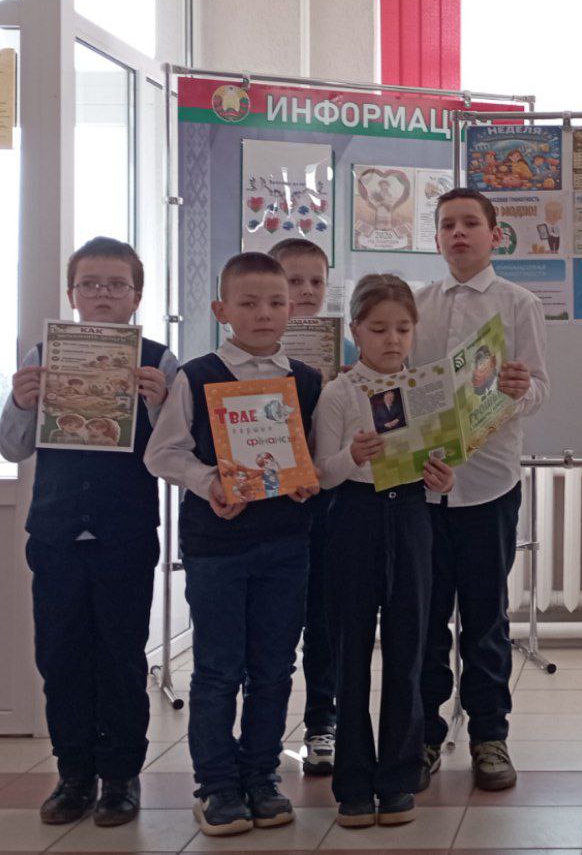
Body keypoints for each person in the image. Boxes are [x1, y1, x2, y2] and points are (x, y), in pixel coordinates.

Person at [0, 237, 177, 828]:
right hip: (55, 535)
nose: (103, 294)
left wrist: (158, 407)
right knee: (60, 658)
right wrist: (20, 401)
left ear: (136, 295)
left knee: (121, 659)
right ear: (72, 293)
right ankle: (73, 774)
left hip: (125, 535)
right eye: (91, 284)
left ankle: (120, 776)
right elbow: (12, 447)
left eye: (116, 285)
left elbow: (174, 455)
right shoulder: (42, 354)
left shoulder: (160, 362)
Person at [145, 252, 323, 836]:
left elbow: (314, 455)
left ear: (291, 309)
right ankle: (217, 786)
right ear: (221, 310)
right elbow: (162, 454)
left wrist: (309, 481)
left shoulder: (307, 380)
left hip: (286, 544)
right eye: (248, 303)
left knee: (274, 667)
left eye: (275, 302)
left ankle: (261, 777)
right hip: (217, 547)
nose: (263, 313)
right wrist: (210, 482)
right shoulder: (197, 376)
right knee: (219, 668)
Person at [414, 188, 549, 792]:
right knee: (424, 619)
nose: (458, 233)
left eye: (471, 223)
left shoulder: (519, 304)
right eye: (448, 225)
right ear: (437, 238)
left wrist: (520, 389)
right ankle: (423, 734)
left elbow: (540, 388)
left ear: (495, 235)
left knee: (485, 618)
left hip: (490, 483)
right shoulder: (417, 305)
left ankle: (490, 736)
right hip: (422, 485)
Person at [313, 274, 455, 827]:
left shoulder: (426, 388)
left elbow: (442, 463)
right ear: (355, 331)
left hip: (412, 516)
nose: (392, 340)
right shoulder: (339, 392)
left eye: (402, 328)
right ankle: (353, 782)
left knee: (408, 650)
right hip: (353, 519)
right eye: (378, 329)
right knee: (350, 653)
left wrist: (442, 479)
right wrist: (352, 455)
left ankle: (398, 777)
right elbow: (322, 475)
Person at [267, 238, 350, 776]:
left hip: (329, 505)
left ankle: (323, 723)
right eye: (293, 281)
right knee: (273, 626)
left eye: (316, 281)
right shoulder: (244, 355)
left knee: (324, 621)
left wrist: (347, 385)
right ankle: (263, 734)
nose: (306, 292)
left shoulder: (347, 353)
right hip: (269, 507)